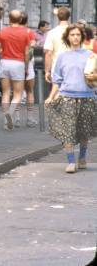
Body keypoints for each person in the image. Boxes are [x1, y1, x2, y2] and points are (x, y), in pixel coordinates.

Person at [45, 24, 96, 173]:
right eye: (72, 34)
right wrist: (51, 96)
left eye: (78, 35)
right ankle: (71, 162)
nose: (75, 37)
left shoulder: (90, 55)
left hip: (87, 97)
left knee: (84, 131)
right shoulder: (62, 57)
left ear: (82, 37)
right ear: (67, 37)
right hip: (67, 97)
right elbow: (57, 80)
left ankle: (82, 157)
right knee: (68, 130)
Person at [0, 10, 32, 131]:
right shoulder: (26, 33)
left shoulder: (2, 32)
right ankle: (11, 112)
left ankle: (6, 121)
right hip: (18, 63)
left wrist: (3, 50)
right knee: (17, 94)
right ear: (20, 20)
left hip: (5, 62)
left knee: (5, 93)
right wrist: (26, 66)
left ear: (9, 19)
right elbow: (27, 53)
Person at [13, 12, 38, 127]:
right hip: (27, 63)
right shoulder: (29, 32)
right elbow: (32, 47)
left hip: (15, 63)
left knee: (16, 92)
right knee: (30, 91)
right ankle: (30, 118)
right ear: (27, 21)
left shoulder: (11, 31)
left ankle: (16, 118)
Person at [44, 6, 71, 83]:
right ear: (69, 17)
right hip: (71, 67)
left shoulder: (52, 33)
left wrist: (47, 71)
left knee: (56, 91)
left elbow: (48, 53)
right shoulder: (74, 32)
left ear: (57, 17)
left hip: (56, 67)